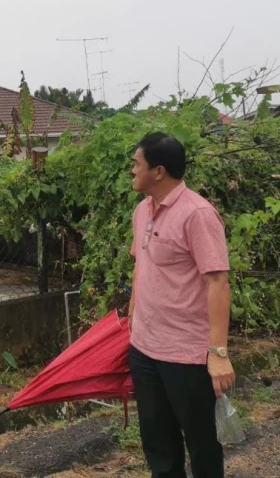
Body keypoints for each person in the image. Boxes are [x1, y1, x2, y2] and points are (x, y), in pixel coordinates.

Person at [128, 132, 235, 478]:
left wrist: (218, 353)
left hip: (187, 356)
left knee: (202, 444)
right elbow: (141, 265)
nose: (132, 170)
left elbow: (217, 282)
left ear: (158, 171)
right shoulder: (142, 211)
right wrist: (132, 315)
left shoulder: (197, 214)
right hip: (144, 350)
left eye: (137, 164)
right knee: (158, 443)